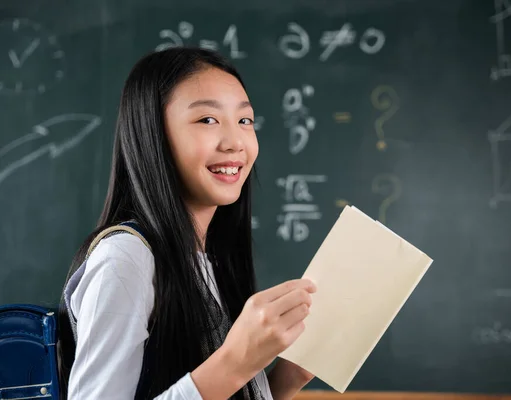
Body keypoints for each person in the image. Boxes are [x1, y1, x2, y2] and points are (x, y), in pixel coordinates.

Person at [57, 47, 318, 400]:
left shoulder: (207, 260)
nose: (235, 142)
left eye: (245, 121)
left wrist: (284, 380)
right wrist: (234, 364)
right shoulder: (125, 258)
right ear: (153, 135)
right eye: (207, 120)